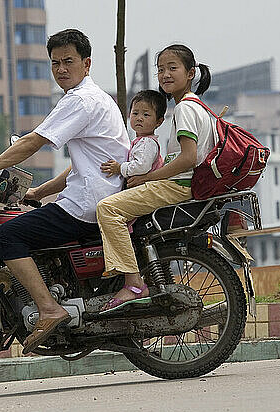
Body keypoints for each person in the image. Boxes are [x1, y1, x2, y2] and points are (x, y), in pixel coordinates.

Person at [0, 29, 130, 353]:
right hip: (95, 195)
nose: (61, 69)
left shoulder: (80, 100)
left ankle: (49, 308)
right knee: (26, 226)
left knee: (6, 237)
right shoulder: (95, 98)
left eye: (68, 61)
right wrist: (38, 192)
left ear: (86, 63)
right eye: (55, 63)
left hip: (87, 205)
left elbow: (32, 142)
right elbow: (86, 165)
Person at [97, 44, 216, 313]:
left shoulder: (185, 109)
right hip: (181, 184)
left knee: (108, 209)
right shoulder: (196, 106)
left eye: (173, 68)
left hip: (178, 185)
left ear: (191, 73)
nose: (165, 75)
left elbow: (188, 158)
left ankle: (133, 283)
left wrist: (148, 178)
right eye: (161, 69)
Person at [100, 89, 166, 234]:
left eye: (146, 114)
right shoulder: (139, 141)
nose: (139, 118)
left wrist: (119, 168)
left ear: (159, 122)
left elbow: (141, 166)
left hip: (144, 191)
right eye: (135, 113)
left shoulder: (147, 143)